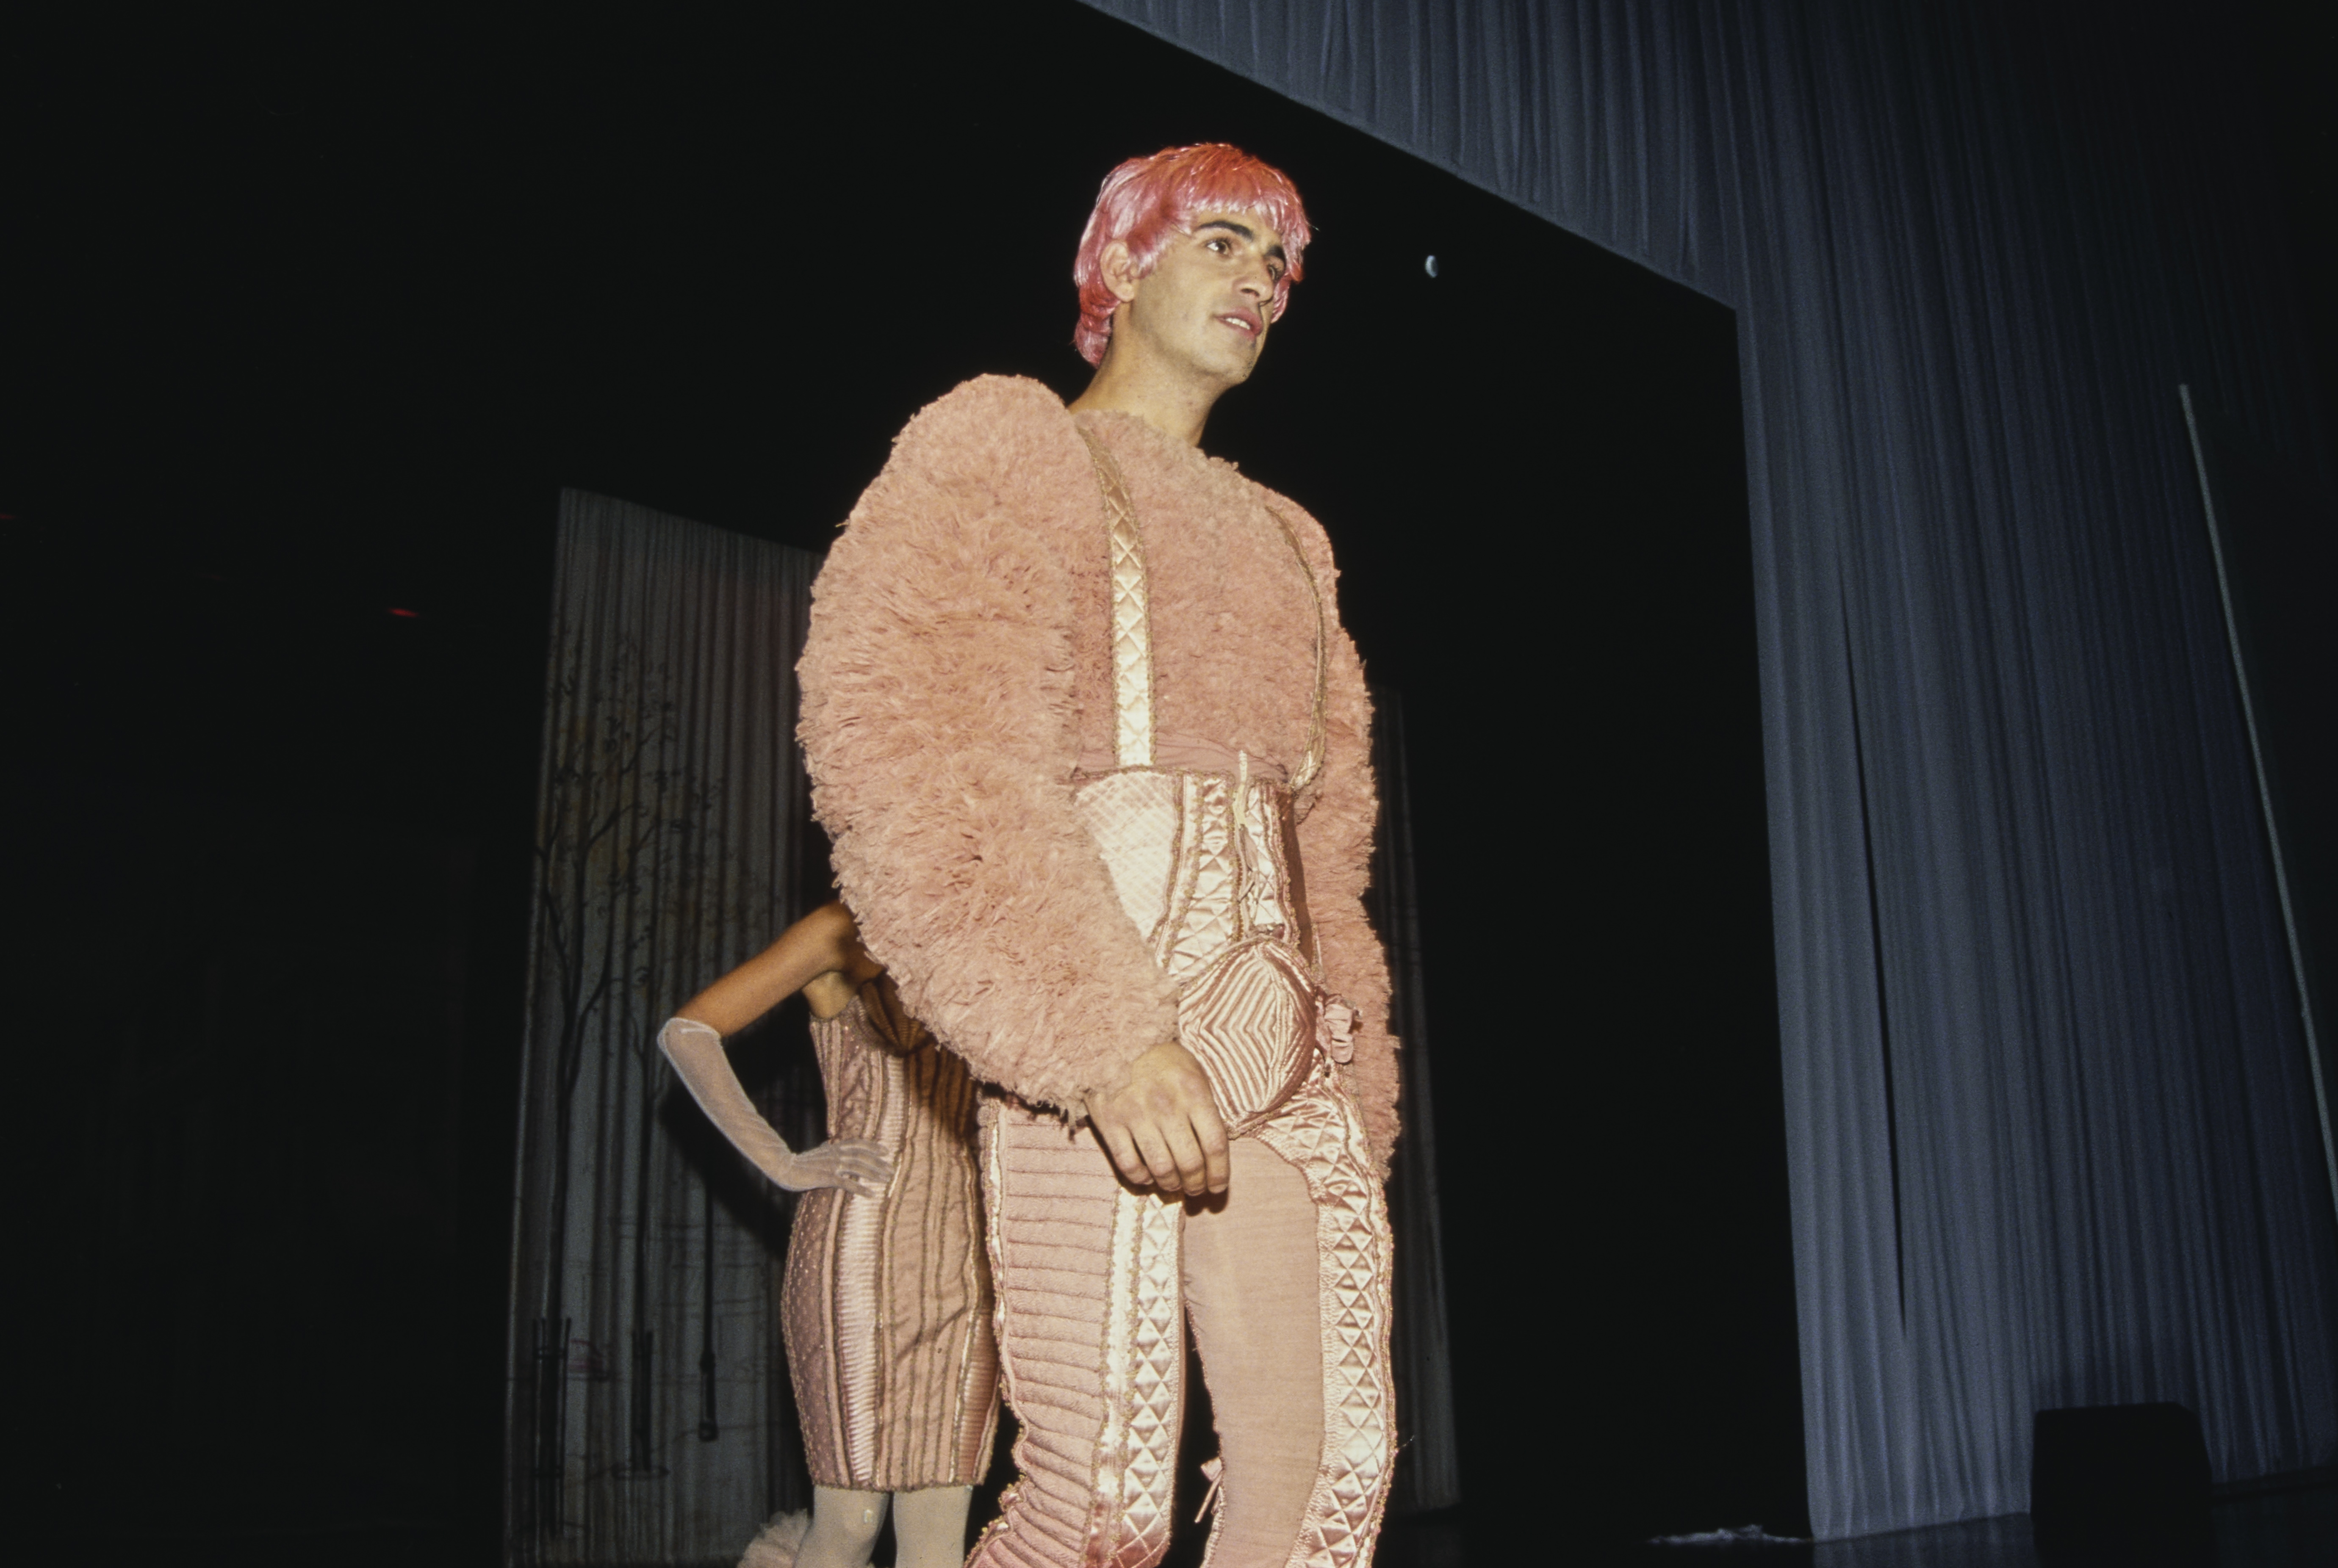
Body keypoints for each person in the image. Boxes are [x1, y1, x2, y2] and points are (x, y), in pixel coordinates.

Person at [797, 143, 1398, 1568]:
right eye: (1225, 242)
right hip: (1106, 1022)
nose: (1264, 279)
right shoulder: (1005, 448)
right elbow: (921, 765)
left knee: (1322, 1485)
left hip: (1283, 1045)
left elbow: (1332, 837)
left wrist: (1356, 1079)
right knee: (1100, 1505)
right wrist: (1098, 1039)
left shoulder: (1292, 540)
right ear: (1120, 263)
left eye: (1282, 260)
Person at [657, 901, 997, 1568]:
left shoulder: (993, 936)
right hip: (859, 1247)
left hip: (968, 1258)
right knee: (851, 1525)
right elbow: (688, 1032)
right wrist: (782, 1161)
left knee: (939, 1535)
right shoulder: (839, 928)